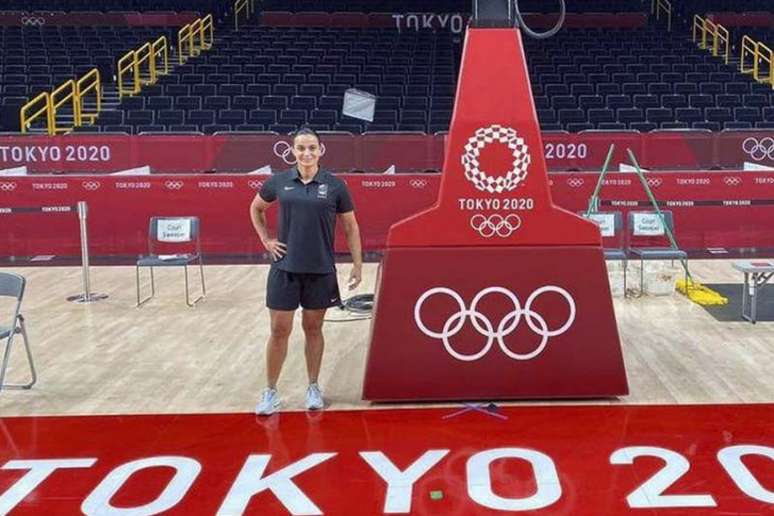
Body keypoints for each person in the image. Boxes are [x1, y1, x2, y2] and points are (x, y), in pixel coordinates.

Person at [249, 127, 362, 415]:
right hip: (284, 269)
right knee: (279, 330)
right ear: (293, 151)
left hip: (320, 269)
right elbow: (256, 208)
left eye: (312, 148)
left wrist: (358, 264)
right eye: (301, 148)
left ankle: (313, 386)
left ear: (321, 150)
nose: (307, 153)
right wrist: (266, 239)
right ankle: (270, 391)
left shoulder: (335, 185)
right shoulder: (279, 181)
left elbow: (350, 226)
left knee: (313, 329)